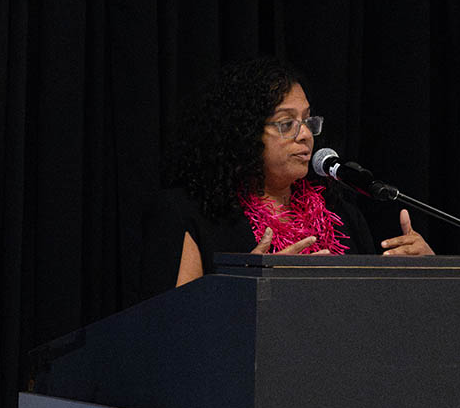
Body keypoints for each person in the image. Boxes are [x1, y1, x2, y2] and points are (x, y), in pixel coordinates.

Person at [139, 56, 433, 298]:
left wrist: (428, 276)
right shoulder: (188, 213)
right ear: (243, 133)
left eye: (306, 121)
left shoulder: (341, 213)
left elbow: (375, 312)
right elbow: (169, 328)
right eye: (286, 123)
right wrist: (253, 286)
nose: (305, 135)